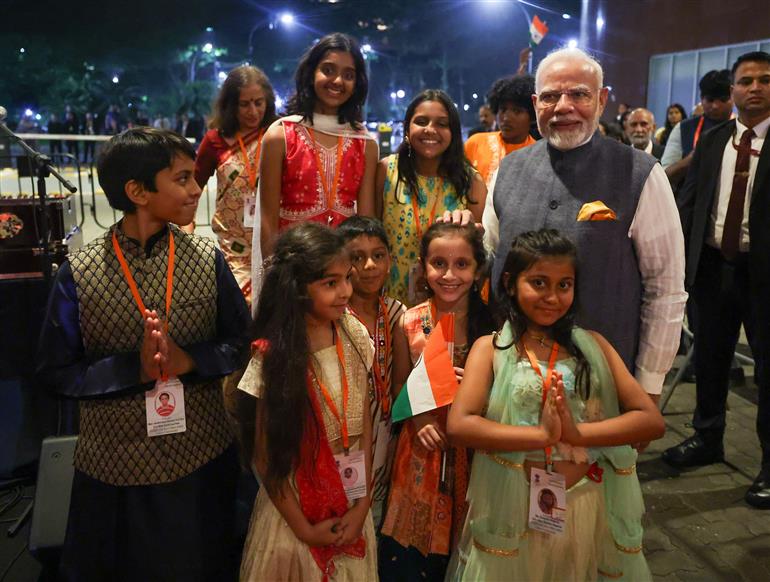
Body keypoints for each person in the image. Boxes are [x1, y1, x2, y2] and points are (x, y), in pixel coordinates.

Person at [36, 127, 250, 580]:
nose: (196, 188)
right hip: (113, 464)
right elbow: (56, 372)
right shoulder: (79, 271)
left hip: (201, 456)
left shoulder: (206, 258)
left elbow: (238, 343)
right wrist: (133, 368)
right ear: (138, 191)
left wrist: (188, 361)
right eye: (182, 178)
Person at [446, 228, 664, 581]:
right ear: (511, 283)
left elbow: (650, 421)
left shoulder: (593, 345)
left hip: (587, 508)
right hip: (516, 510)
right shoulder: (492, 348)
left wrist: (577, 434)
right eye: (539, 283)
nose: (552, 296)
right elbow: (460, 425)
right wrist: (542, 435)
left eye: (564, 285)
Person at [486, 47, 687, 406]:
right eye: (550, 96)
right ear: (536, 103)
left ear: (601, 100)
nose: (563, 106)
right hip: (512, 376)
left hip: (604, 382)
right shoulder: (507, 171)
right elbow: (490, 256)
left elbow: (665, 288)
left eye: (579, 94)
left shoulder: (640, 174)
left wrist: (649, 383)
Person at [237, 222, 377, 580]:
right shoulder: (272, 357)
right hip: (294, 514)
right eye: (330, 284)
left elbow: (362, 426)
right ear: (297, 289)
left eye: (347, 278)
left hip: (350, 500)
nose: (346, 291)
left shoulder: (354, 333)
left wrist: (362, 505)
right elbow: (266, 457)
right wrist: (304, 529)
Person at [663, 51, 770, 509]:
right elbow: (690, 202)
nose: (756, 88)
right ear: (732, 92)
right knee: (709, 358)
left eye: (766, 80)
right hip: (712, 268)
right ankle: (708, 438)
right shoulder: (713, 141)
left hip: (764, 273)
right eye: (746, 81)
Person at [379, 222, 495, 582]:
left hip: (476, 451)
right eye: (438, 263)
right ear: (422, 266)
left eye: (462, 264)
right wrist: (420, 420)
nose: (449, 275)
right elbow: (399, 384)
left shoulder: (492, 326)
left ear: (477, 270)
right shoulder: (411, 322)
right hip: (422, 451)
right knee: (414, 559)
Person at [257, 32, 379, 262]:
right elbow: (268, 218)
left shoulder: (365, 143)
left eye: (348, 74)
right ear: (311, 73)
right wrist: (274, 275)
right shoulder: (280, 135)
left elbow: (365, 222)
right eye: (328, 70)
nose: (337, 81)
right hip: (294, 267)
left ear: (358, 83)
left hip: (344, 269)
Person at [377, 89, 486, 306]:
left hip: (447, 300)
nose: (430, 130)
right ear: (407, 128)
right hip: (389, 301)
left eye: (442, 124)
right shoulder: (386, 171)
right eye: (421, 121)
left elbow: (477, 250)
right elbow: (369, 238)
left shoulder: (471, 181)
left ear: (453, 133)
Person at [338, 215, 406, 529]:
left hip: (385, 433)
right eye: (357, 257)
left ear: (389, 260)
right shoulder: (333, 318)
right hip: (344, 438)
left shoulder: (396, 313)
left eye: (378, 256)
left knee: (374, 522)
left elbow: (401, 386)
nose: (369, 266)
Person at [195, 65, 278, 304]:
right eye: (245, 104)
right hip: (234, 247)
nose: (253, 111)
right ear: (231, 105)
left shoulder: (278, 134)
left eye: (259, 102)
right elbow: (192, 186)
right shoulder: (215, 141)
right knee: (243, 307)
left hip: (273, 242)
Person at [662, 70, 734, 188]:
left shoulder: (744, 128)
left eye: (722, 99)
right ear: (701, 98)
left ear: (733, 95)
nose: (715, 106)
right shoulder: (683, 128)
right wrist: (691, 159)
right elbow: (665, 176)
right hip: (691, 201)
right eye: (710, 100)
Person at [464, 75, 537, 190]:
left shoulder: (538, 155)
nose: (506, 117)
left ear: (532, 116)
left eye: (517, 111)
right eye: (502, 110)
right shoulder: (475, 142)